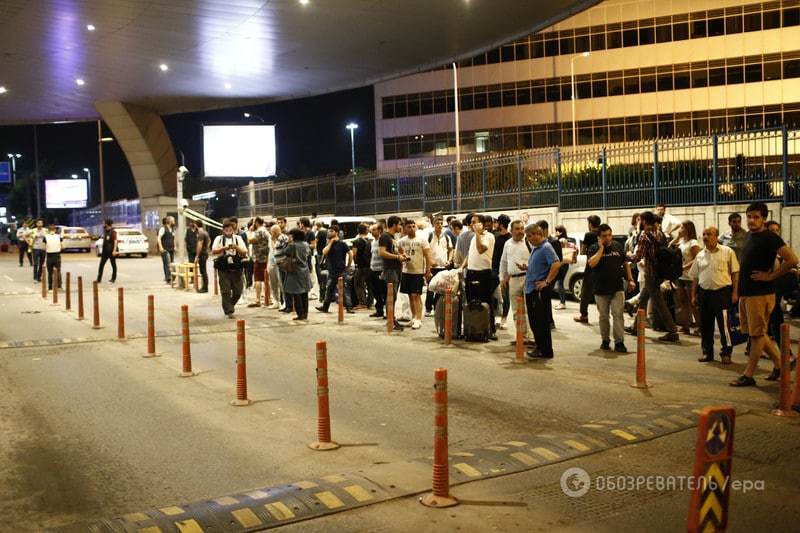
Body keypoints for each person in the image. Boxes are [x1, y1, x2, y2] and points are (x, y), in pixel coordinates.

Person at [730, 203, 798, 387]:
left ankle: (749, 374)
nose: (752, 220)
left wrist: (771, 276)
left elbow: (792, 259)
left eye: (756, 217)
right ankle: (781, 365)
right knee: (757, 334)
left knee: (757, 335)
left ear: (764, 219)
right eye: (749, 216)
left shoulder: (770, 237)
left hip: (760, 294)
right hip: (748, 293)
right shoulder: (751, 235)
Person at [689, 226, 739, 364]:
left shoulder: (727, 252)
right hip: (704, 294)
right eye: (704, 234)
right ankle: (707, 352)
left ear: (716, 236)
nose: (705, 237)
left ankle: (726, 353)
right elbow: (695, 278)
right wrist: (694, 295)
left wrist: (735, 292)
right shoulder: (699, 255)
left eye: (709, 234)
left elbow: (735, 273)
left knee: (725, 327)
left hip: (722, 293)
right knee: (705, 325)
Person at [629, 211, 679, 342]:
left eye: (640, 220)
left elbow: (638, 256)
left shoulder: (644, 235)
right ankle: (636, 327)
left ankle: (673, 331)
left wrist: (627, 256)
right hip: (660, 272)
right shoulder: (659, 233)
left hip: (651, 273)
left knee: (659, 303)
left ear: (644, 221)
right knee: (643, 299)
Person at [587, 224, 635, 353]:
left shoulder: (618, 246)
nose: (607, 238)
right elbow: (592, 263)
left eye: (609, 235)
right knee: (603, 316)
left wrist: (630, 280)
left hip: (617, 288)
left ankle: (619, 342)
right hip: (600, 289)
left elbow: (625, 264)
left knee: (618, 315)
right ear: (599, 237)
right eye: (604, 236)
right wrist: (601, 249)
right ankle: (605, 340)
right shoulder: (594, 248)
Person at [523, 224, 561, 359]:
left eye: (530, 236)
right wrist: (527, 268)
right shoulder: (537, 248)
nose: (528, 239)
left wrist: (547, 281)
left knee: (540, 322)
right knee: (535, 321)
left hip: (538, 291)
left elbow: (556, 263)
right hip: (531, 289)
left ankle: (545, 350)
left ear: (537, 234)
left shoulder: (546, 247)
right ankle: (540, 347)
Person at [462, 214, 497, 341]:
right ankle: (473, 328)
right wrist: (461, 267)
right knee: (471, 302)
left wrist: (477, 234)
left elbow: (481, 249)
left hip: (484, 273)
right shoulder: (473, 238)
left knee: (486, 302)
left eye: (474, 222)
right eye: (470, 222)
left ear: (482, 224)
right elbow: (470, 254)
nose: (471, 224)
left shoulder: (489, 236)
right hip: (471, 272)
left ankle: (490, 329)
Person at [500, 220, 533, 343]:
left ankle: (531, 337)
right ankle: (521, 336)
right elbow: (503, 262)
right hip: (513, 280)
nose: (520, 231)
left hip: (527, 278)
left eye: (522, 228)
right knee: (516, 311)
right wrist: (502, 278)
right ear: (511, 230)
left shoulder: (529, 243)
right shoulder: (507, 244)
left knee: (528, 309)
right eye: (517, 229)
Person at [398, 219, 433, 329]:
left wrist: (428, 270)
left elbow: (428, 256)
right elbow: (399, 253)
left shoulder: (422, 240)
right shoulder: (402, 241)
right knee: (409, 296)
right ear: (405, 228)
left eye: (414, 226)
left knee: (416, 295)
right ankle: (413, 318)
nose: (412, 228)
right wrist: (403, 258)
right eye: (409, 227)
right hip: (406, 271)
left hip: (418, 272)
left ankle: (418, 319)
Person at [670, 221, 701, 335]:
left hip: (690, 276)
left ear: (688, 229)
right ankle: (685, 325)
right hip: (681, 276)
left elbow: (696, 258)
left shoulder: (693, 242)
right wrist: (677, 236)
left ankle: (699, 326)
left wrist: (684, 267)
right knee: (682, 301)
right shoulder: (681, 241)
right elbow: (669, 247)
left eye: (682, 227)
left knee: (693, 302)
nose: (680, 229)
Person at [211, 220, 248, 318]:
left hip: (236, 267)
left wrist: (235, 247)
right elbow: (214, 251)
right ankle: (228, 310)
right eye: (226, 229)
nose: (228, 231)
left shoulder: (238, 238)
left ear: (233, 230)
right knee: (225, 290)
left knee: (238, 290)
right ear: (223, 230)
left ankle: (229, 305)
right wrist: (224, 248)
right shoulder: (218, 239)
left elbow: (244, 252)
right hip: (223, 267)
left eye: (230, 229)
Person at [275, 228, 313, 322]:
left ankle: (300, 314)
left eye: (291, 235)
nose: (289, 237)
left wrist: (288, 243)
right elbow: (309, 255)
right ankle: (305, 313)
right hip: (305, 270)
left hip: (295, 271)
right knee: (304, 293)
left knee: (296, 294)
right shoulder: (306, 244)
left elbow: (285, 252)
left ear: (294, 236)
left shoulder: (293, 245)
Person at [316, 225, 354, 313]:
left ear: (336, 232)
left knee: (344, 290)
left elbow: (350, 254)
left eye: (331, 231)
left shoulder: (342, 243)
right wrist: (331, 242)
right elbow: (324, 252)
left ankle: (349, 307)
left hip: (341, 270)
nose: (329, 232)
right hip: (332, 271)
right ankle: (325, 307)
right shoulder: (329, 243)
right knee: (329, 289)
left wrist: (348, 266)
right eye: (329, 231)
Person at [379, 215, 408, 331]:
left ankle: (392, 318)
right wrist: (397, 257)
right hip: (390, 269)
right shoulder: (385, 236)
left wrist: (402, 256)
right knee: (391, 295)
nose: (401, 226)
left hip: (396, 269)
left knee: (394, 296)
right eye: (399, 224)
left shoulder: (392, 237)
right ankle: (390, 319)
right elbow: (382, 252)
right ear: (394, 225)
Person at [575, 215, 601, 323]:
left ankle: (584, 315)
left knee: (585, 291)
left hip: (590, 266)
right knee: (601, 291)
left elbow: (582, 250)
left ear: (590, 224)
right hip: (601, 266)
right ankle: (604, 314)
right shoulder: (601, 234)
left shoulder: (588, 235)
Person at [425, 217, 453, 316]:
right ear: (433, 224)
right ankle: (428, 309)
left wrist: (449, 260)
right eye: (437, 223)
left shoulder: (446, 237)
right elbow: (426, 251)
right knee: (430, 288)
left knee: (440, 289)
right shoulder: (429, 236)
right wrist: (430, 262)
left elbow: (451, 249)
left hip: (443, 268)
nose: (440, 225)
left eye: (441, 223)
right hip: (432, 267)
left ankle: (436, 307)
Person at [536, 220, 561, 329]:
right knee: (544, 298)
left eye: (539, 230)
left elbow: (557, 261)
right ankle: (547, 320)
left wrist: (549, 279)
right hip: (541, 274)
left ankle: (549, 322)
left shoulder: (553, 242)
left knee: (545, 297)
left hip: (550, 275)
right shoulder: (539, 242)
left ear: (545, 229)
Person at [491, 215, 512, 329]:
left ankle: (504, 318)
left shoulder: (509, 239)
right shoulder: (497, 237)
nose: (495, 225)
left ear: (501, 224)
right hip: (494, 269)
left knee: (505, 295)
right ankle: (495, 317)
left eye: (497, 223)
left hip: (505, 271)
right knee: (493, 294)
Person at [247, 217, 271, 307]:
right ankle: (268, 298)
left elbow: (250, 241)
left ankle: (258, 300)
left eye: (253, 222)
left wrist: (250, 231)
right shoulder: (265, 230)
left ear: (256, 222)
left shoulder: (259, 231)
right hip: (266, 257)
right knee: (266, 279)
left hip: (259, 258)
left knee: (257, 279)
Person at [553, 225, 576, 310]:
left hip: (562, 263)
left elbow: (560, 250)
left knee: (560, 283)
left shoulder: (562, 240)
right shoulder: (563, 239)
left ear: (560, 232)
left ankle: (562, 303)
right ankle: (561, 302)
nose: (555, 232)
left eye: (557, 231)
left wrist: (555, 238)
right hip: (563, 263)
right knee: (560, 283)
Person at [351, 223, 373, 309]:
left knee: (358, 284)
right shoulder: (371, 241)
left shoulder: (356, 242)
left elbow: (354, 254)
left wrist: (355, 261)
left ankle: (362, 302)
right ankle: (370, 303)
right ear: (366, 231)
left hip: (360, 266)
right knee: (370, 284)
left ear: (358, 230)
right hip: (370, 265)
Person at [369, 224, 387, 318]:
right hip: (373, 269)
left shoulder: (382, 241)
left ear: (379, 230)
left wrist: (384, 270)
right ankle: (379, 310)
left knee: (384, 291)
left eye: (374, 230)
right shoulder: (373, 242)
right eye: (371, 230)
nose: (372, 231)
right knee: (375, 291)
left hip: (381, 270)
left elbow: (384, 256)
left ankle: (387, 311)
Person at [267, 224, 285, 309]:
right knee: (273, 283)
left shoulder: (282, 238)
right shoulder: (272, 239)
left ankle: (285, 302)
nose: (271, 233)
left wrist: (272, 240)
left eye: (272, 232)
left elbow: (275, 248)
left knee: (281, 283)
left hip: (280, 263)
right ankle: (276, 301)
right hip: (272, 262)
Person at [96, 219, 118, 283]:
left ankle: (113, 278)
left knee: (113, 265)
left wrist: (114, 251)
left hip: (111, 252)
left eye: (104, 223)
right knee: (101, 265)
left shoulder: (113, 232)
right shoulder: (106, 231)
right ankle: (98, 279)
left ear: (107, 224)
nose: (103, 224)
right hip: (105, 252)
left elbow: (115, 242)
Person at [44, 223, 63, 289]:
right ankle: (59, 286)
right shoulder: (59, 236)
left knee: (50, 272)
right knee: (58, 271)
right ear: (55, 230)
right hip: (57, 255)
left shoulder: (45, 237)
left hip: (49, 256)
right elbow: (62, 246)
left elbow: (44, 247)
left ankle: (50, 287)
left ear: (48, 230)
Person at [194, 220, 211, 293]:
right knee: (203, 271)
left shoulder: (200, 233)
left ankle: (205, 288)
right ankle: (204, 287)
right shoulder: (205, 232)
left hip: (202, 254)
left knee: (203, 271)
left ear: (196, 225)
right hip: (205, 253)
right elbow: (209, 240)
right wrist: (206, 248)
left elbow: (199, 245)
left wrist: (197, 256)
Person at [157, 216, 175, 284]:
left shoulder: (172, 229)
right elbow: (159, 239)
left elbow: (173, 238)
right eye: (173, 221)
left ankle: (171, 277)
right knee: (167, 264)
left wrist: (174, 246)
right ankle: (168, 279)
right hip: (165, 249)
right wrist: (161, 248)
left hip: (171, 249)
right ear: (169, 221)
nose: (174, 222)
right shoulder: (163, 229)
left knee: (172, 264)